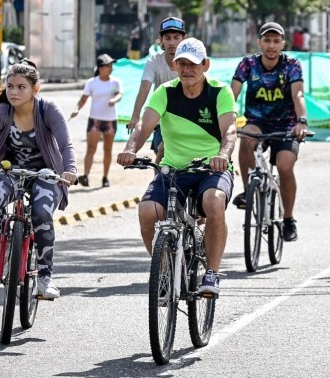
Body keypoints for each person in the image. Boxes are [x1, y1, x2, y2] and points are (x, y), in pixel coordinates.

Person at [116, 37, 236, 296]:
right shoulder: (166, 92)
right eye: (181, 63)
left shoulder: (219, 92)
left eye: (193, 64)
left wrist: (223, 155)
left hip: (211, 169)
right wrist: (130, 150)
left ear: (205, 65)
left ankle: (212, 274)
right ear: (174, 65)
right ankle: (164, 269)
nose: (187, 69)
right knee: (147, 212)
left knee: (214, 202)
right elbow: (144, 126)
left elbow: (230, 131)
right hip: (174, 170)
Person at [0, 60, 77, 299]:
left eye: (21, 87)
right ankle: (3, 239)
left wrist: (70, 169)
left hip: (45, 173)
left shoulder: (48, 110)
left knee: (41, 212)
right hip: (11, 170)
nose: (14, 92)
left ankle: (45, 277)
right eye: (10, 86)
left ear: (35, 89)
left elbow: (66, 145)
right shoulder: (2, 112)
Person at [231, 22, 310, 242]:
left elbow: (298, 96)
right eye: (267, 41)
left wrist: (301, 121)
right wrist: (223, 118)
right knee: (245, 138)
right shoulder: (247, 64)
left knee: (284, 167)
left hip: (286, 124)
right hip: (257, 121)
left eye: (276, 41)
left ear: (283, 44)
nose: (271, 46)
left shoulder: (292, 65)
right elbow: (231, 94)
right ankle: (248, 191)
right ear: (259, 42)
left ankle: (288, 219)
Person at [127, 17, 186, 163]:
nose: (172, 42)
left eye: (176, 37)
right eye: (167, 38)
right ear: (161, 40)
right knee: (162, 150)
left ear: (184, 39)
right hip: (162, 121)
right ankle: (159, 184)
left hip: (188, 119)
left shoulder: (191, 63)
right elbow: (145, 87)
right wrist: (135, 115)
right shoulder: (154, 62)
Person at [69, 54, 123, 188]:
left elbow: (119, 94)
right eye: (107, 65)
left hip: (110, 120)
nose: (110, 68)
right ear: (100, 68)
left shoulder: (115, 82)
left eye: (111, 65)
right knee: (91, 149)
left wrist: (114, 100)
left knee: (108, 149)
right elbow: (83, 99)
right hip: (95, 120)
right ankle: (86, 176)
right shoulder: (92, 83)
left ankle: (105, 177)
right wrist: (77, 109)